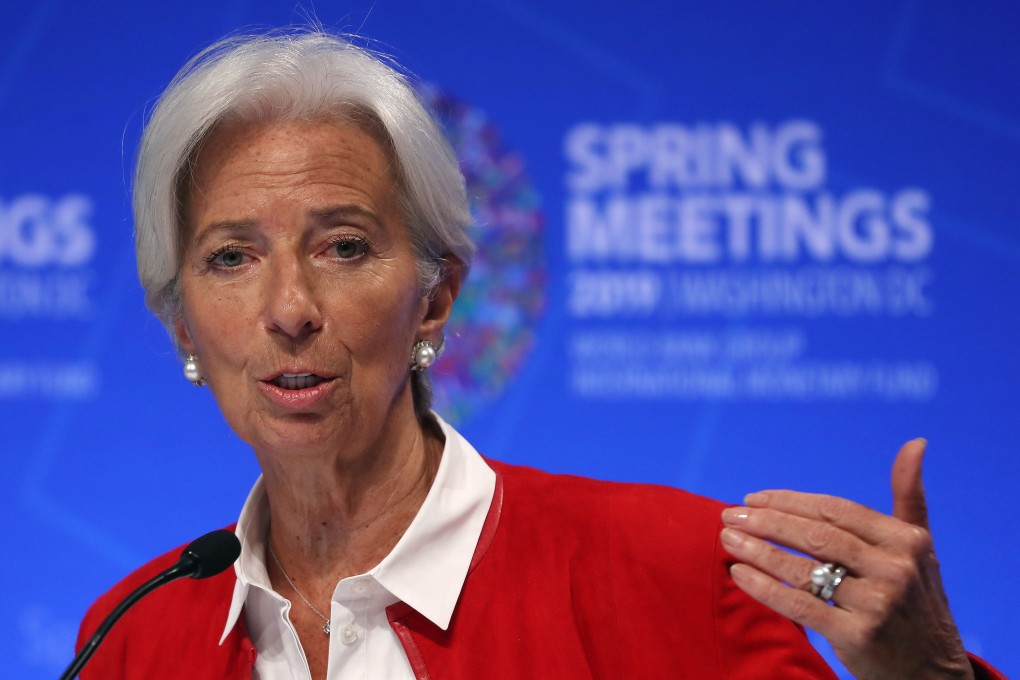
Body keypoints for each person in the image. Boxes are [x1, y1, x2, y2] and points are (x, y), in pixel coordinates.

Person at [76, 28, 1004, 679]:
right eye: (231, 258)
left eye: (343, 246)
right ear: (184, 326)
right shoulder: (133, 634)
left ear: (435, 297)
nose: (289, 308)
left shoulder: (673, 575)